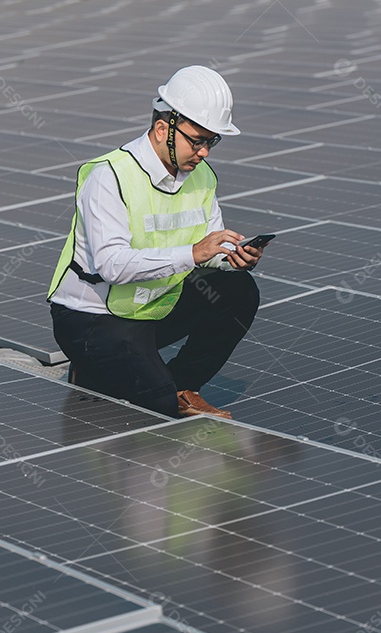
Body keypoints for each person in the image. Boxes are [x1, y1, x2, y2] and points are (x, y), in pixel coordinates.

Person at [48, 65, 262, 420]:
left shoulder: (202, 176)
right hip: (93, 319)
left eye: (212, 141)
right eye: (197, 140)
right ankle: (93, 368)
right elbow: (112, 265)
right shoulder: (109, 176)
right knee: (158, 409)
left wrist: (232, 258)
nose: (205, 152)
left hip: (152, 305)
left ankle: (181, 384)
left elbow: (206, 253)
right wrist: (194, 253)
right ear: (163, 129)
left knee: (238, 289)